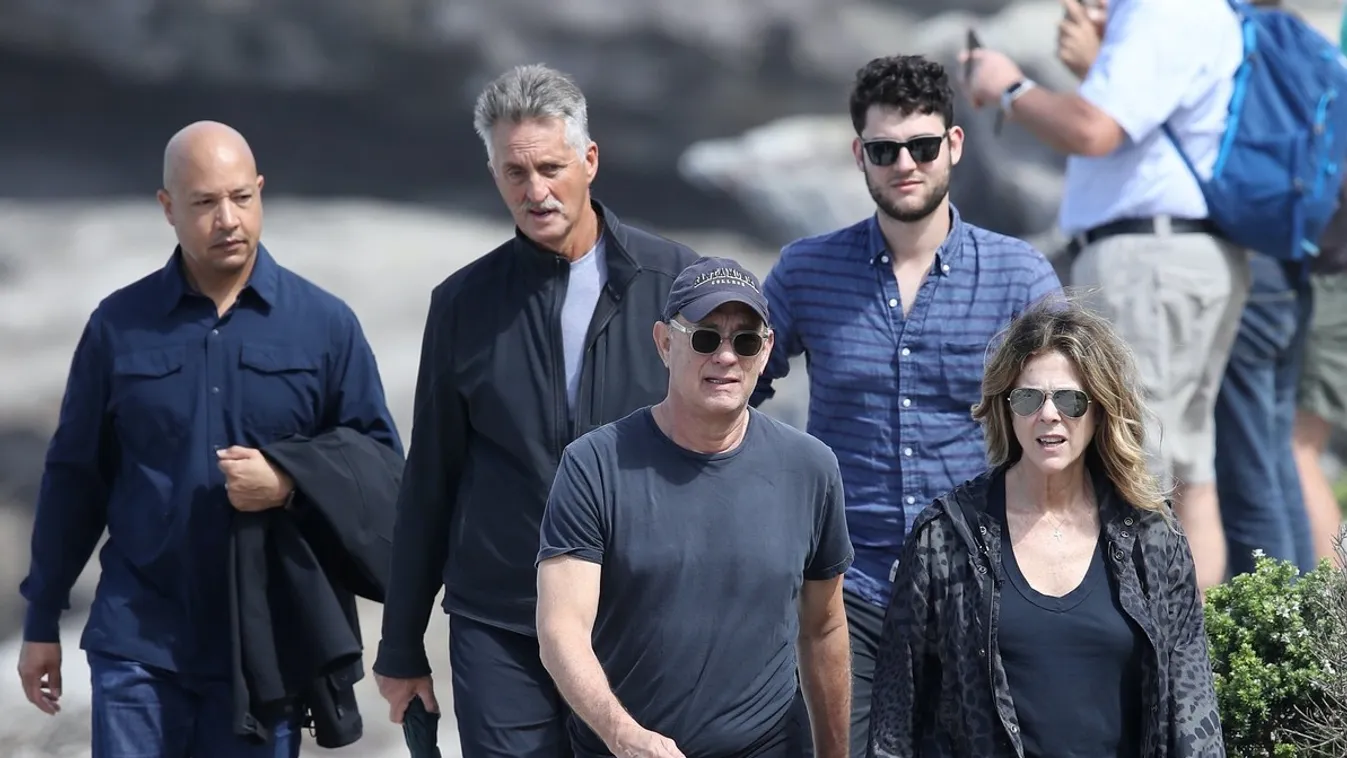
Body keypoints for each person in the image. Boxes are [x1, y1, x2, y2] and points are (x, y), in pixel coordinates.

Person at [15, 120, 401, 757]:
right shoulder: (118, 327)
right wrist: (40, 622)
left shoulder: (325, 325)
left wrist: (288, 482)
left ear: (260, 192)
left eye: (241, 198)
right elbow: (74, 479)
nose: (228, 219)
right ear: (168, 209)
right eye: (204, 203)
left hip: (267, 651)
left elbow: (384, 472)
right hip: (138, 642)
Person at [373, 63, 701, 758]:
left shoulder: (679, 284)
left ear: (589, 160)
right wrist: (401, 645)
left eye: (550, 168)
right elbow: (429, 480)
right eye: (513, 173)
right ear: (492, 173)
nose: (535, 191)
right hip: (501, 624)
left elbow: (728, 452)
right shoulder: (461, 304)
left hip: (639, 619)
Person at [748, 54, 1060, 756]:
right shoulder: (804, 270)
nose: (904, 164)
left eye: (921, 146)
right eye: (885, 150)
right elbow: (731, 388)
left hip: (982, 581)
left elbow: (1074, 416)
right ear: (859, 155)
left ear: (952, 144)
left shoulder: (1018, 276)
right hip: (840, 587)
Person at [961, 0, 1249, 591]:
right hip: (1186, 254)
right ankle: (1197, 646)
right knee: (1191, 464)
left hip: (1148, 258)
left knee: (1136, 450)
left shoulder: (1159, 10)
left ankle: (1153, 650)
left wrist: (1008, 87)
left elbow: (1093, 130)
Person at [868, 296, 1223, 757]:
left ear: (1100, 410)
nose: (1049, 414)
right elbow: (895, 719)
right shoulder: (945, 537)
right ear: (1006, 407)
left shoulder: (1152, 537)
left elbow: (1193, 711)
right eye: (1030, 398)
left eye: (1071, 399)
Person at [536, 256, 854, 758]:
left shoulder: (811, 467)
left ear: (766, 351)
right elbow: (560, 629)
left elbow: (824, 627)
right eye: (706, 338)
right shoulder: (593, 465)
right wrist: (623, 735)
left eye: (745, 341)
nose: (726, 357)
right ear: (664, 342)